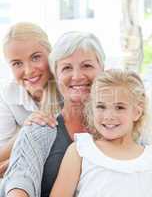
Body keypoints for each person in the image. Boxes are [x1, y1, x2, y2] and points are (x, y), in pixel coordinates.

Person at [0, 31, 105, 197]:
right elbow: (20, 182)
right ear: (56, 75)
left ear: (102, 69)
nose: (77, 76)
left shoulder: (123, 126)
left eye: (87, 65)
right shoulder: (38, 128)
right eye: (67, 68)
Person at [50, 69, 152, 197]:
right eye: (101, 107)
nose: (109, 116)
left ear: (137, 112)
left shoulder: (148, 158)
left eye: (119, 107)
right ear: (92, 109)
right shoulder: (81, 150)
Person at [0, 22, 59, 177]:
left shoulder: (66, 86)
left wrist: (15, 157)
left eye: (35, 57)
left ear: (50, 53)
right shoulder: (8, 94)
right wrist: (27, 129)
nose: (29, 70)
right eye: (17, 63)